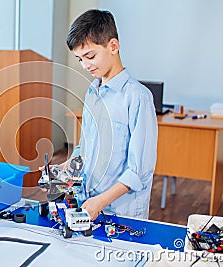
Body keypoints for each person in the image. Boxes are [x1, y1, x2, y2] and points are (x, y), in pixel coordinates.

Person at [64, 9, 158, 220]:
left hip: (120, 212)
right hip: (88, 204)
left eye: (90, 56)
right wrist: (63, 168)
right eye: (79, 59)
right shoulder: (92, 92)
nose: (85, 65)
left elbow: (139, 171)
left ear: (113, 46)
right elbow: (84, 147)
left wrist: (101, 201)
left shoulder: (138, 97)